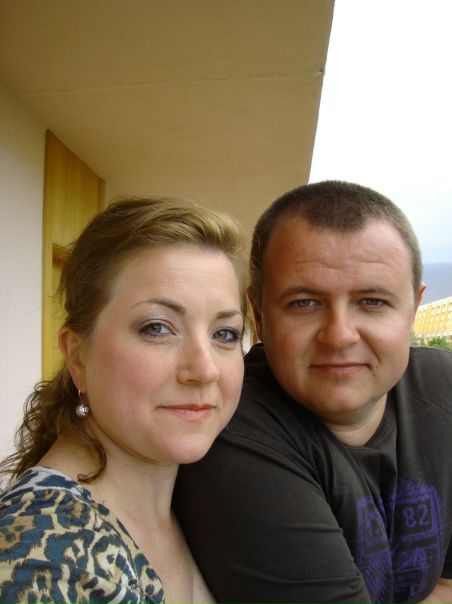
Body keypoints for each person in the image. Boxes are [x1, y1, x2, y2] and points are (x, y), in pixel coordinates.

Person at [175, 181, 452, 604]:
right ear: (259, 315)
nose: (338, 336)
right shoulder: (233, 435)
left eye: (372, 301)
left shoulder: (443, 385)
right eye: (304, 303)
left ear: (413, 309)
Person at [0, 196, 248, 604]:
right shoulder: (43, 560)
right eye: (157, 328)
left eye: (225, 334)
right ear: (77, 355)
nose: (205, 369)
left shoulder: (203, 503)